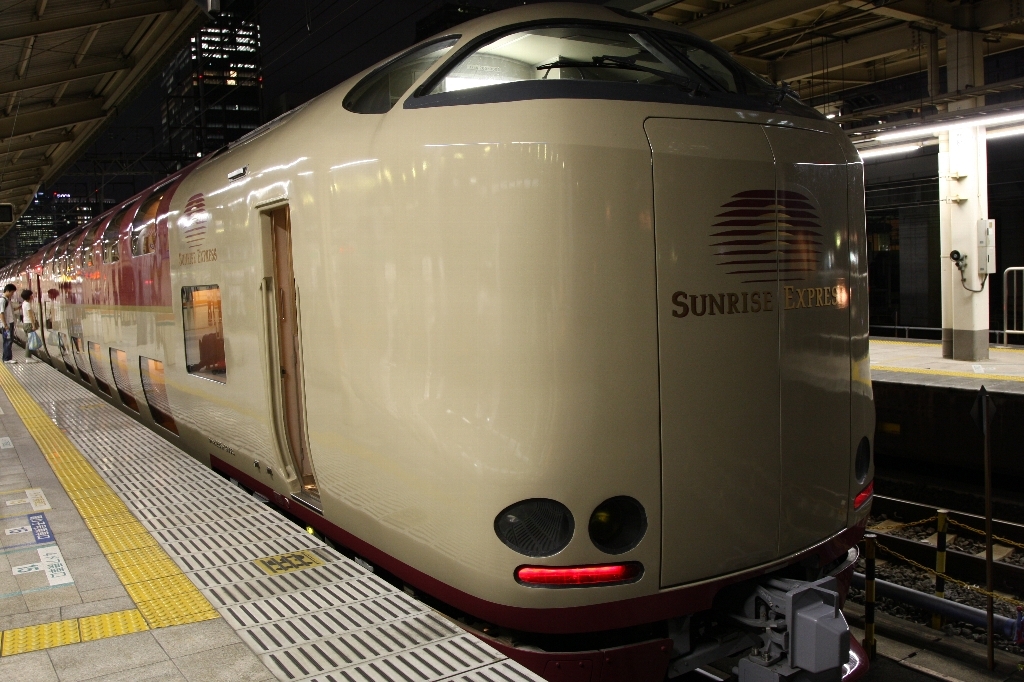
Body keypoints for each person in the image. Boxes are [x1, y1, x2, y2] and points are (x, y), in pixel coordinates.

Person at [20, 289, 39, 363]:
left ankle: (29, 356)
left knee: (29, 340)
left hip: (25, 323)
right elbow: (30, 315)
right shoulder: (27, 304)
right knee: (30, 341)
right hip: (29, 324)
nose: (32, 296)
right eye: (31, 295)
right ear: (28, 296)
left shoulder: (24, 303)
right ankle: (28, 357)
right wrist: (33, 325)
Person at [1, 284, 15, 363]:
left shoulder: (7, 300)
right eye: (12, 292)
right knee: (7, 341)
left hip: (10, 323)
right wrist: (5, 325)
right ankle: (7, 359)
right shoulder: (3, 300)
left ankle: (8, 358)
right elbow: (1, 313)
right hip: (7, 325)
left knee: (9, 340)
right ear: (7, 291)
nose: (12, 294)